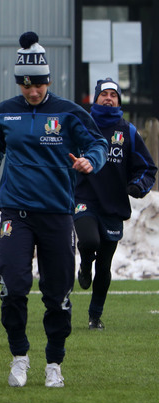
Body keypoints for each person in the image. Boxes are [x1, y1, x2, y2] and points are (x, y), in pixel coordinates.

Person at [0, 32, 108, 388]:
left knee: (57, 292)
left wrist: (90, 162)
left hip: (56, 214)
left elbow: (98, 142)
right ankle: (19, 356)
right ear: (19, 82)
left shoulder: (68, 112)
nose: (32, 91)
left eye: (38, 85)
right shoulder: (6, 111)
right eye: (26, 85)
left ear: (49, 81)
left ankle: (54, 363)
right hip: (15, 213)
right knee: (13, 286)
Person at [74, 78, 156, 330]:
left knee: (106, 265)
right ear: (95, 99)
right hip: (84, 198)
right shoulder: (81, 126)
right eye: (104, 94)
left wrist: (137, 186)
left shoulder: (128, 131)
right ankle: (84, 264)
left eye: (114, 95)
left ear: (119, 101)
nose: (108, 98)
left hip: (113, 205)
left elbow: (147, 168)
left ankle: (95, 316)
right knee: (89, 242)